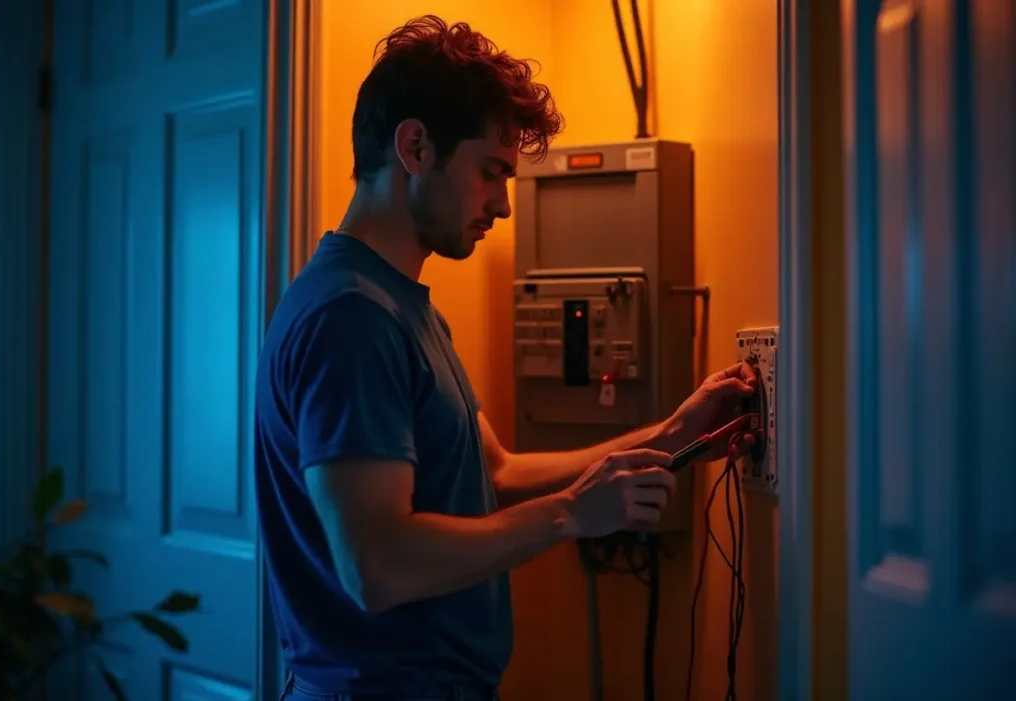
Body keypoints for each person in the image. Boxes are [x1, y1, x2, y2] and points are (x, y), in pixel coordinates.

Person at [254, 14, 757, 701]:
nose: (503, 205)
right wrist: (571, 514)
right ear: (415, 145)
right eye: (491, 172)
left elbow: (498, 471)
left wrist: (673, 432)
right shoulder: (352, 318)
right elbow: (377, 563)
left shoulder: (402, 307)